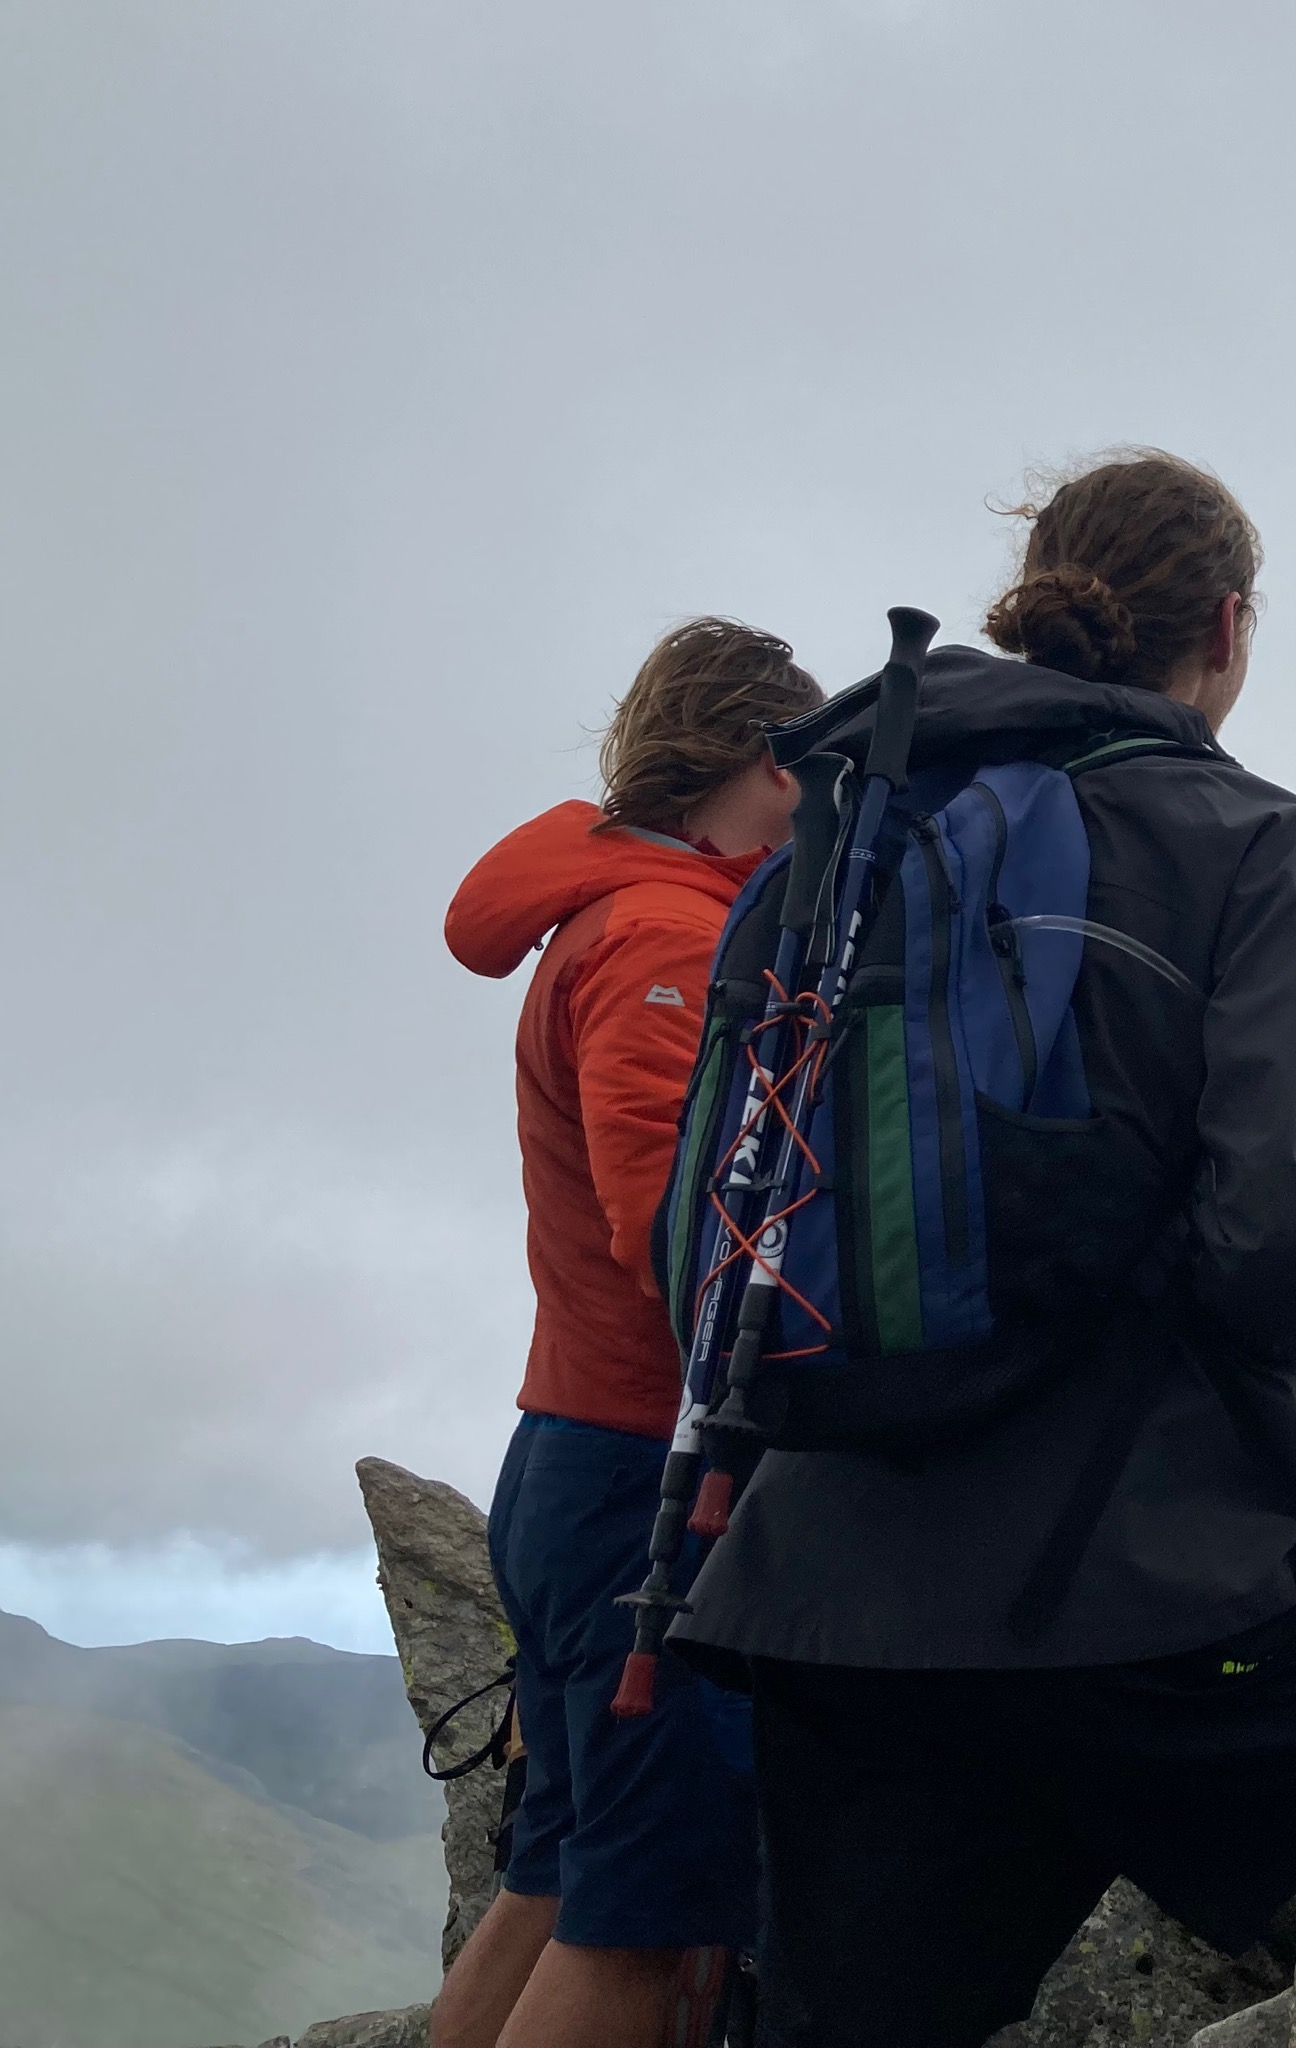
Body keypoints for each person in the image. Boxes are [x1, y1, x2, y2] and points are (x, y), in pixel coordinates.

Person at [670, 451, 1296, 2048]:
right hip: (1152, 1586)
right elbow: (1271, 1239)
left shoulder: (844, 840)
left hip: (823, 1580)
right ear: (1228, 627)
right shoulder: (1246, 835)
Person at [437, 618, 821, 2048]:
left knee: (558, 1869)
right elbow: (673, 1226)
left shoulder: (633, 914)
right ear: (764, 763)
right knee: (646, 1913)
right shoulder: (666, 935)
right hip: (639, 1490)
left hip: (575, 1463)